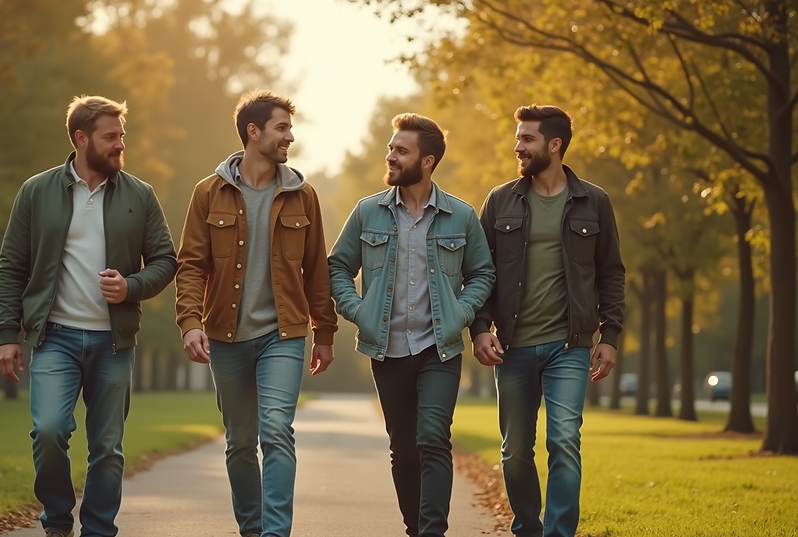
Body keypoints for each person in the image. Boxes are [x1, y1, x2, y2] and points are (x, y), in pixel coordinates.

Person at [0, 95, 177, 537]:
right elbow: (12, 265)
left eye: (121, 136)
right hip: (54, 337)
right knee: (49, 432)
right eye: (110, 137)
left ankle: (98, 530)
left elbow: (166, 261)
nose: (119, 145)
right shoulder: (36, 191)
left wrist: (130, 286)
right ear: (81, 139)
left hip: (113, 343)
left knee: (108, 448)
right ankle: (57, 521)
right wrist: (7, 332)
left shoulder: (140, 194)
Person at [174, 90, 338, 537]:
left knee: (276, 430)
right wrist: (190, 323)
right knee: (241, 441)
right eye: (281, 127)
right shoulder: (208, 193)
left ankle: (274, 533)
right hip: (224, 336)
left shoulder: (303, 195)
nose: (290, 136)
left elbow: (316, 269)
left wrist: (325, 331)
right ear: (254, 131)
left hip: (283, 335)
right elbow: (190, 265)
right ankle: (252, 528)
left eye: (289, 127)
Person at [328, 113, 496, 537]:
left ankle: (432, 532)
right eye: (391, 148)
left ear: (427, 160)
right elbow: (336, 267)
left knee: (433, 440)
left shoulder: (461, 215)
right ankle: (415, 528)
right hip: (386, 349)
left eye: (401, 150)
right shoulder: (368, 212)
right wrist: (358, 310)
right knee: (403, 450)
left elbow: (483, 274)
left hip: (439, 349)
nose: (391, 156)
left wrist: (461, 313)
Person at [470, 105, 625, 537]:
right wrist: (480, 328)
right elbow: (481, 272)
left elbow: (611, 272)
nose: (517, 146)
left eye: (527, 139)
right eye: (518, 138)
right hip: (513, 346)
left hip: (569, 346)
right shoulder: (500, 200)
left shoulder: (594, 201)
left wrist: (609, 335)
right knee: (515, 450)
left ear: (554, 145)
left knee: (564, 442)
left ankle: (558, 533)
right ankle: (526, 528)